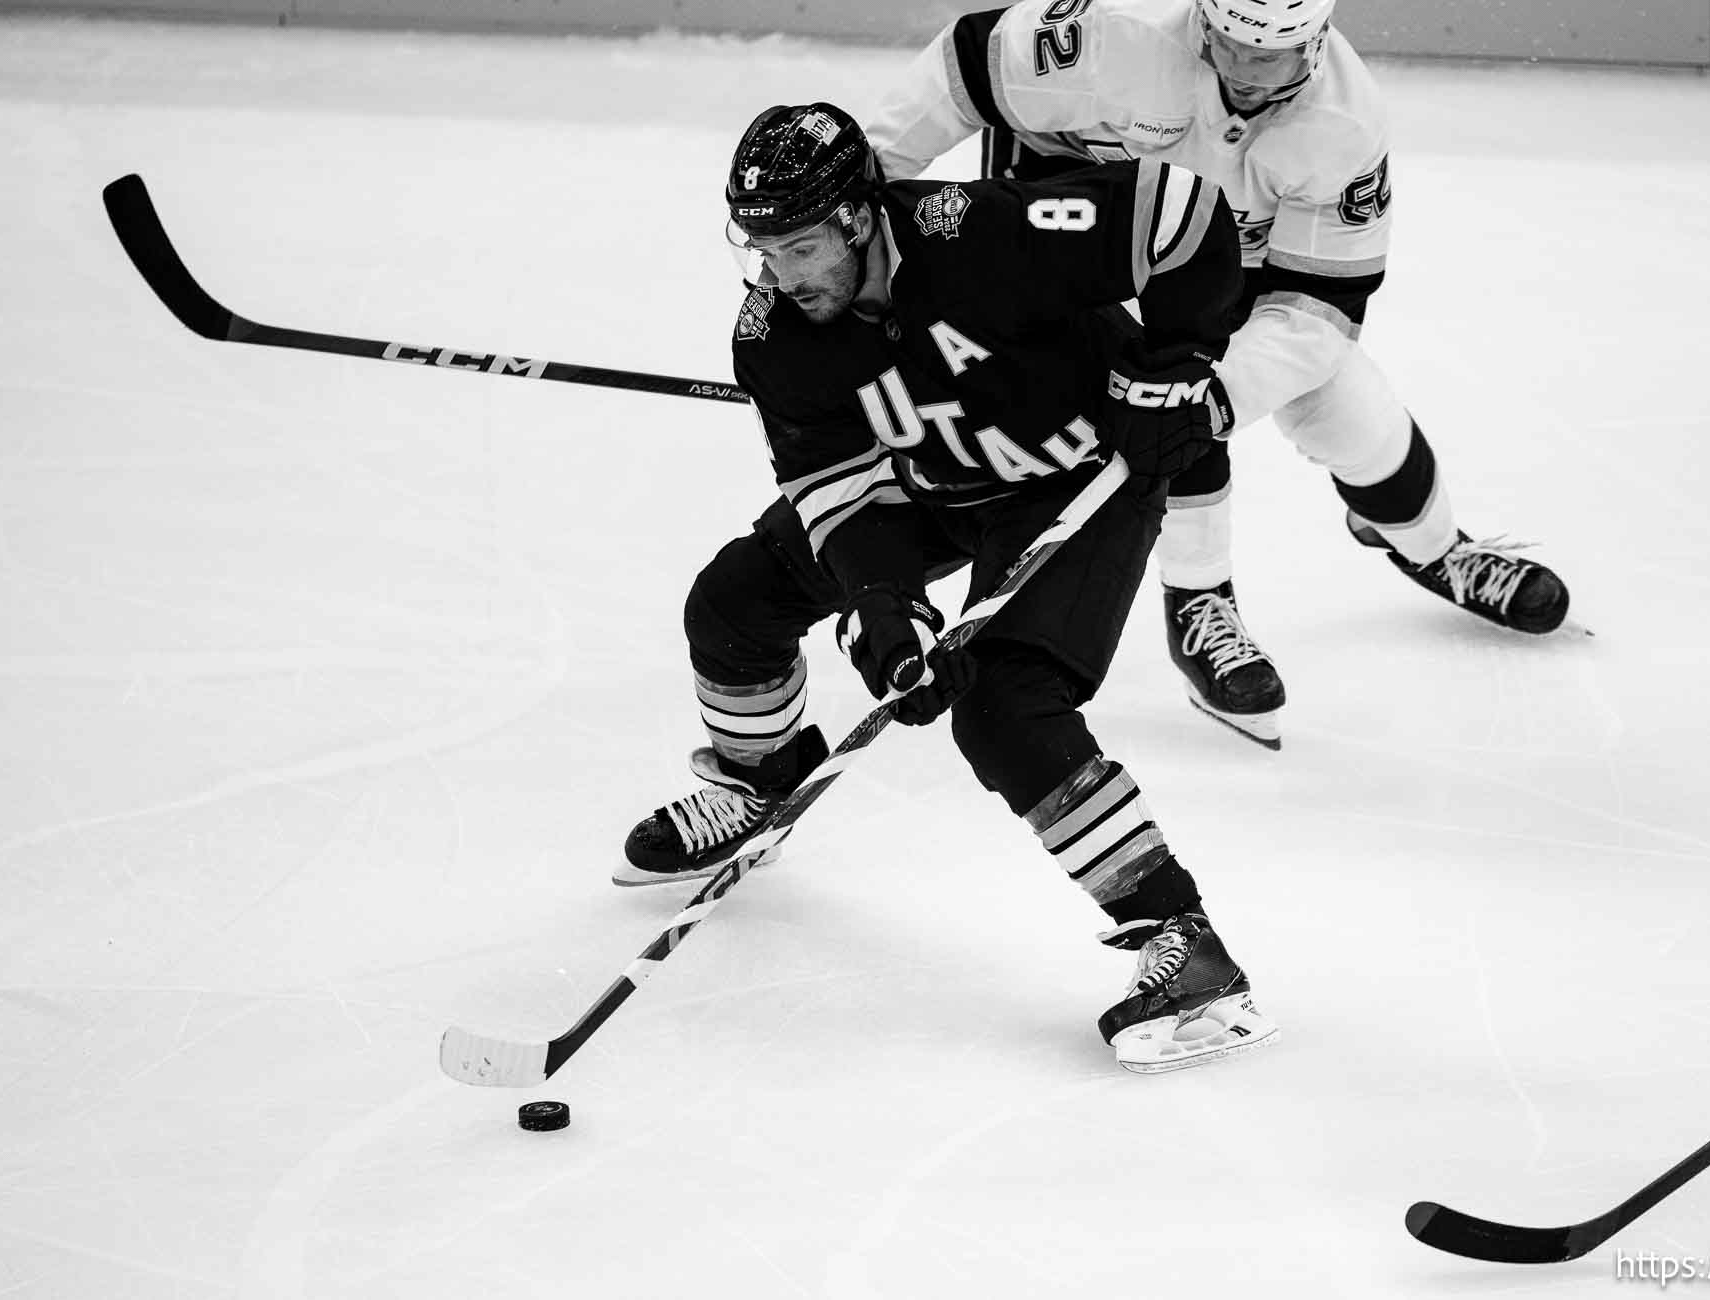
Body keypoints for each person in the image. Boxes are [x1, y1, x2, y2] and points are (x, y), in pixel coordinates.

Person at [617, 101, 1277, 1073]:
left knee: (1006, 706)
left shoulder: (981, 231)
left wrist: (1176, 369)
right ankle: (762, 782)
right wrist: (885, 609)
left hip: (1082, 474)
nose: (781, 276)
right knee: (733, 601)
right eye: (761, 249)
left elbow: (1183, 215)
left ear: (856, 218)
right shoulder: (773, 336)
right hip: (931, 478)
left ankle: (1186, 942)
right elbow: (838, 493)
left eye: (801, 247)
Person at [864, 0, 1572, 749]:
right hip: (1078, 236)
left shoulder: (1347, 121)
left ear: (1314, 42)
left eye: (1264, 56)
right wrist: (847, 218)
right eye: (1225, 42)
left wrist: (1218, 400)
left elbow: (1320, 306)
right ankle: (1199, 600)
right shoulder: (1120, 38)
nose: (1238, 68)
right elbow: (971, 64)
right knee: (1147, 384)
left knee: (1345, 413)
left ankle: (1436, 548)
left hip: (1231, 268)